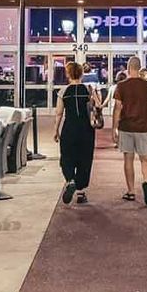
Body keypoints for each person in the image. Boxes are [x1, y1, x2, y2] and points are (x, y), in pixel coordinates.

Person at [112, 54, 147, 205]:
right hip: (143, 126)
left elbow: (117, 107)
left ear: (128, 68)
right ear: (139, 69)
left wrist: (114, 128)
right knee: (146, 159)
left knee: (128, 159)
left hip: (126, 126)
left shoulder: (122, 85)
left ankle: (131, 191)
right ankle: (146, 182)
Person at [53, 60, 100, 206]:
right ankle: (81, 192)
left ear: (68, 74)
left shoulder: (63, 92)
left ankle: (70, 180)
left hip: (70, 128)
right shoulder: (88, 90)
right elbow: (97, 106)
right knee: (85, 159)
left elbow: (59, 113)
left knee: (67, 156)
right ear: (81, 74)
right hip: (86, 129)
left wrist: (56, 130)